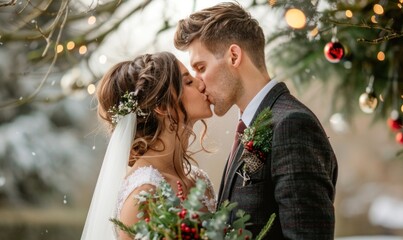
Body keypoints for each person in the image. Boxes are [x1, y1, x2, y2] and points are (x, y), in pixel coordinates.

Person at [174, 2, 338, 239]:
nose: (199, 82)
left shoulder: (292, 126)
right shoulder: (250, 126)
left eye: (201, 67)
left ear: (233, 56)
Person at [81, 52, 216, 240]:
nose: (201, 84)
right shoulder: (144, 193)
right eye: (188, 82)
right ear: (161, 106)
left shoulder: (200, 180)